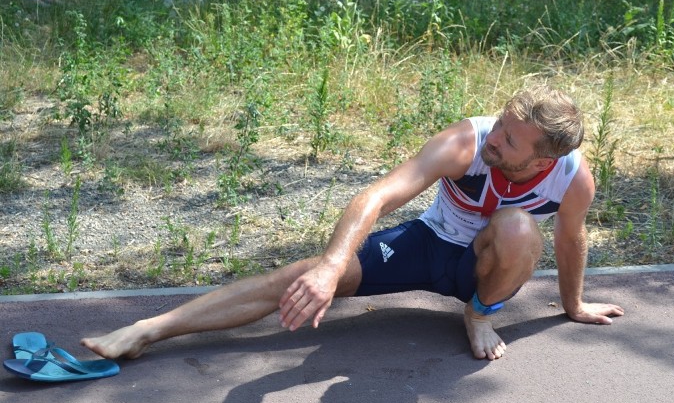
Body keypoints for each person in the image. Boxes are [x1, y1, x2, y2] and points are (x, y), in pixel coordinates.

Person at [82, 86, 624, 362]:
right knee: (302, 276)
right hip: (429, 243)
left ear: (543, 160)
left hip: (485, 268)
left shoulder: (572, 179)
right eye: (500, 124)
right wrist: (330, 268)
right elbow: (378, 196)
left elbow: (569, 238)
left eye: (509, 139)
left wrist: (573, 305)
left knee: (518, 229)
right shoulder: (465, 142)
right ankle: (147, 331)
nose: (494, 138)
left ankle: (479, 316)